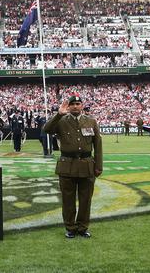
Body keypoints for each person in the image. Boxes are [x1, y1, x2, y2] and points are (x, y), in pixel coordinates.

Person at [43, 94, 103, 239]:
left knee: (85, 200)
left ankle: (82, 228)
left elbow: (98, 144)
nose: (75, 106)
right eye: (73, 104)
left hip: (87, 165)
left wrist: (98, 166)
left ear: (82, 106)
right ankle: (70, 227)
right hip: (67, 165)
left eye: (78, 103)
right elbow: (46, 130)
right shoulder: (61, 121)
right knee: (68, 200)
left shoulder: (91, 121)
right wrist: (58, 114)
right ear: (68, 106)